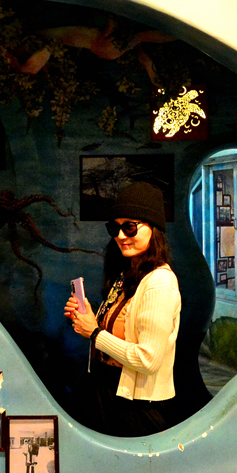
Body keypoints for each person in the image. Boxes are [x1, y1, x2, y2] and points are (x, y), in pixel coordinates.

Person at [64, 181, 181, 436]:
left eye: (129, 227)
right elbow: (118, 333)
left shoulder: (159, 282)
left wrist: (94, 333)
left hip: (135, 407)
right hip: (107, 393)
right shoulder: (127, 275)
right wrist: (89, 318)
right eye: (114, 228)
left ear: (154, 228)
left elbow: (147, 360)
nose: (120, 236)